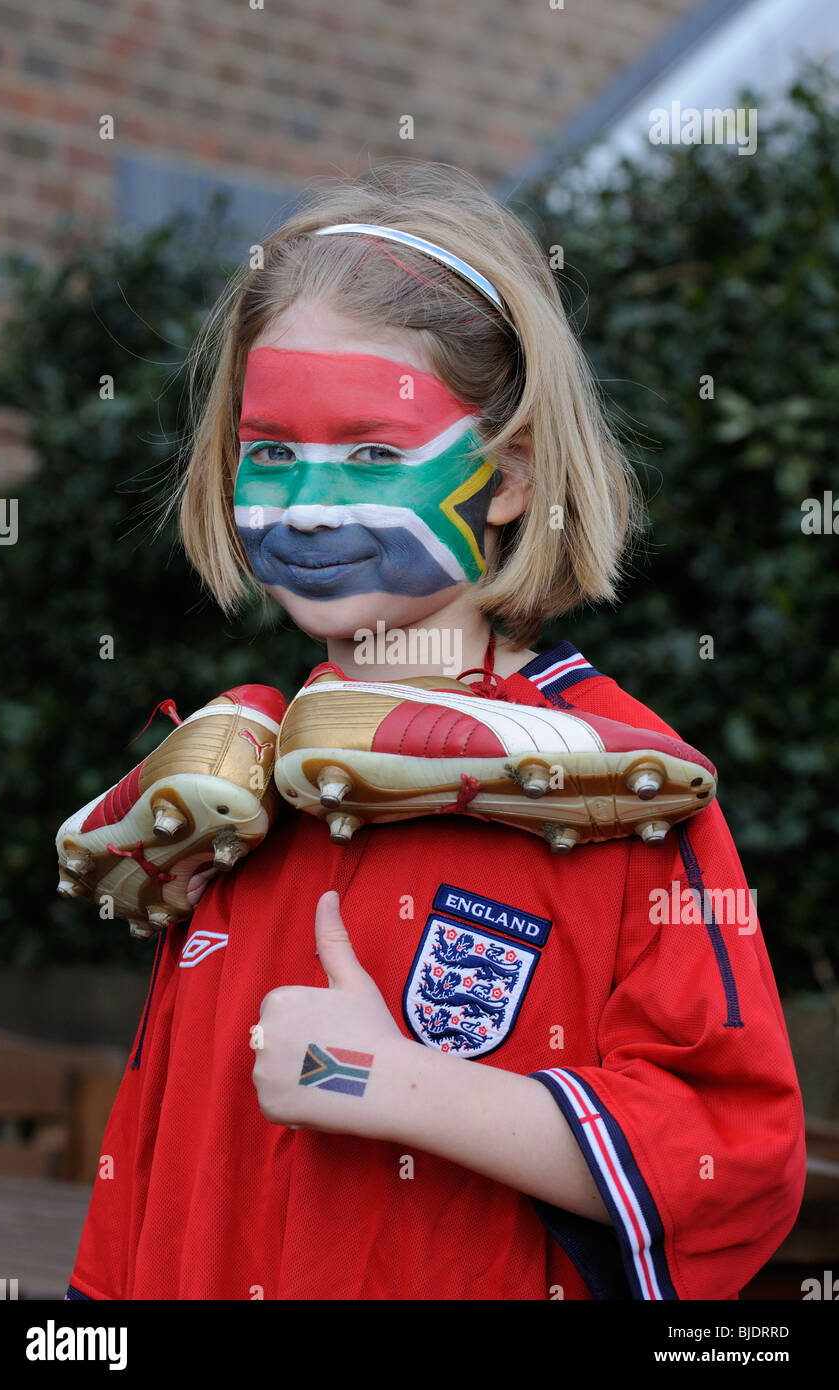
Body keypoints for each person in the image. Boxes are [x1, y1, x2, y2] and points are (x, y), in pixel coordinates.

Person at [65, 161, 805, 1302]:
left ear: (507, 477)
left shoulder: (622, 787)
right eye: (270, 451)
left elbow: (733, 1161)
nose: (309, 504)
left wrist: (389, 1084)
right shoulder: (227, 789)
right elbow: (147, 1184)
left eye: (370, 452)